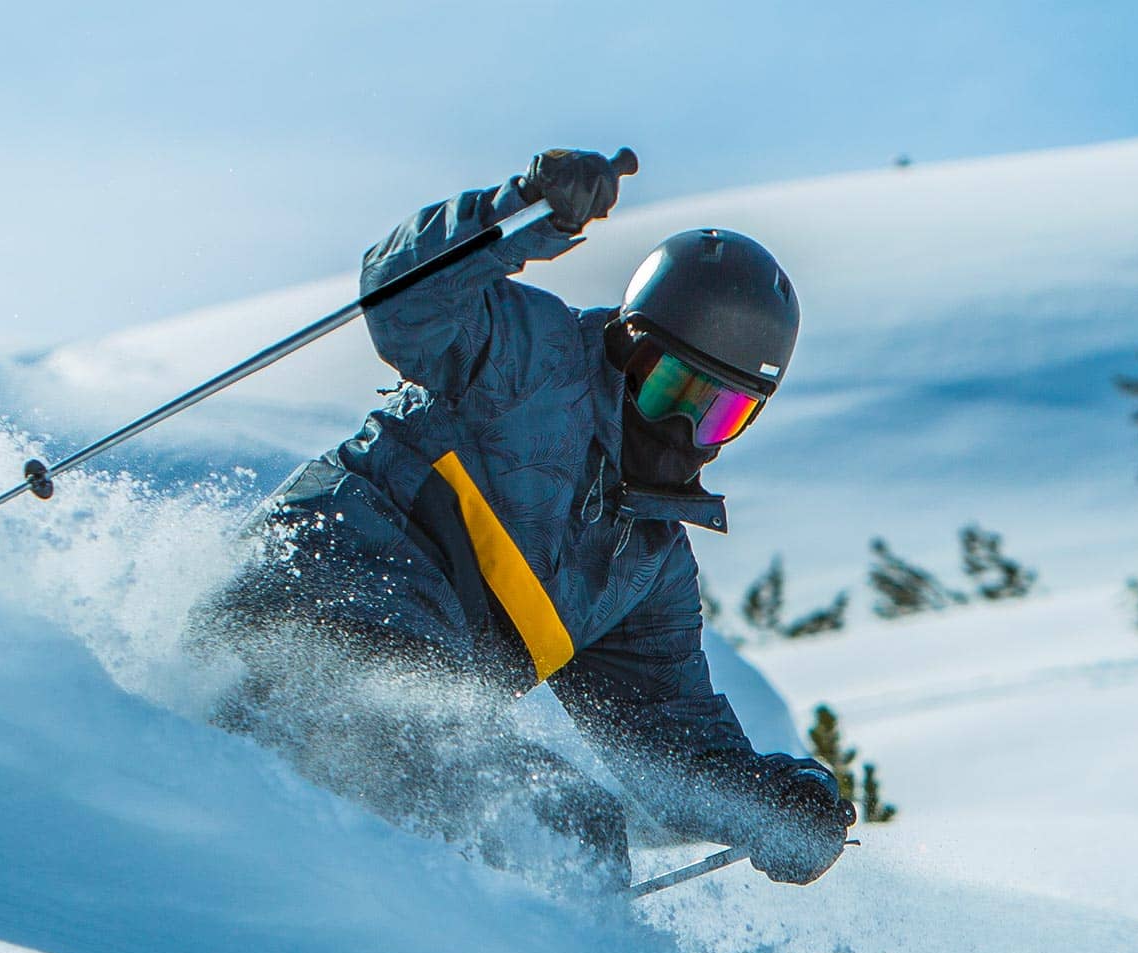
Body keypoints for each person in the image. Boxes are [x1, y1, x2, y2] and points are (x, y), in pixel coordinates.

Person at [195, 148, 853, 891]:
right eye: (674, 386)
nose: (682, 427)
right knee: (541, 817)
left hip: (407, 687)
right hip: (307, 598)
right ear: (633, 346)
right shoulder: (535, 357)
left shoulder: (645, 563)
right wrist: (516, 210)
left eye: (720, 414)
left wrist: (770, 801)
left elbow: (672, 741)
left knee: (576, 828)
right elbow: (404, 303)